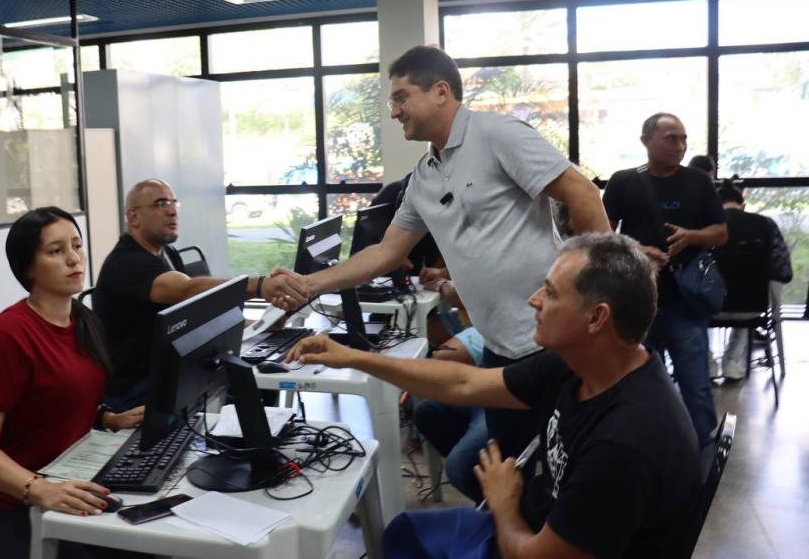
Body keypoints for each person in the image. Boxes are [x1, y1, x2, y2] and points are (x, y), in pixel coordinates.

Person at [278, 45, 610, 462]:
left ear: (440, 92)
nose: (394, 112)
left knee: (552, 471)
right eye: (392, 101)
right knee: (510, 471)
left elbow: (581, 194)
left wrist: (603, 292)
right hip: (498, 347)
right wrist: (308, 284)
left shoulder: (496, 134)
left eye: (401, 98)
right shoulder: (424, 176)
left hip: (552, 343)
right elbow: (385, 253)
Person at [287, 233, 701, 559]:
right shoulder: (580, 362)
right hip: (540, 518)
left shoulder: (626, 442)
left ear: (596, 318)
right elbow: (462, 384)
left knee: (408, 540)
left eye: (551, 293)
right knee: (404, 532)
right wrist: (355, 358)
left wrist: (503, 502)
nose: (533, 300)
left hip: (534, 539)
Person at [0, 207, 146, 559]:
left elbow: (52, 395)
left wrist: (105, 419)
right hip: (2, 503)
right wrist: (37, 489)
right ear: (28, 268)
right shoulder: (8, 336)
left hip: (64, 477)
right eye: (56, 251)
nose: (74, 258)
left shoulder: (83, 319)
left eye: (77, 245)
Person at [93, 179, 310, 411]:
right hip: (139, 389)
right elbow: (187, 291)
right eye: (160, 204)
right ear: (133, 217)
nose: (171, 211)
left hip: (172, 372)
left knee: (256, 386)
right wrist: (259, 286)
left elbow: (195, 314)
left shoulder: (167, 253)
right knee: (251, 393)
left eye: (174, 203)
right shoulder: (128, 263)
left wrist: (255, 325)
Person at [602, 113, 727, 445]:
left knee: (696, 387)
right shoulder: (623, 181)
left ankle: (703, 460)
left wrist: (691, 236)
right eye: (671, 138)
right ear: (646, 140)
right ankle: (641, 451)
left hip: (685, 301)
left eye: (684, 138)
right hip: (636, 303)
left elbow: (720, 233)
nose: (680, 146)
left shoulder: (698, 182)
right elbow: (599, 233)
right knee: (634, 386)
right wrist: (636, 250)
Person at [413, 264, 490, 501]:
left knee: (459, 466)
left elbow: (477, 294)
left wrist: (441, 284)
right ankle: (490, 498)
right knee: (426, 411)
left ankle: (509, 511)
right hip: (480, 319)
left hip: (496, 336)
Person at [718, 178, 793, 380]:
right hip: (752, 307)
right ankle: (733, 362)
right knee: (748, 299)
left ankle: (706, 364)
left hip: (709, 309)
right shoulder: (766, 225)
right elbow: (783, 272)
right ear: (743, 205)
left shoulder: (704, 226)